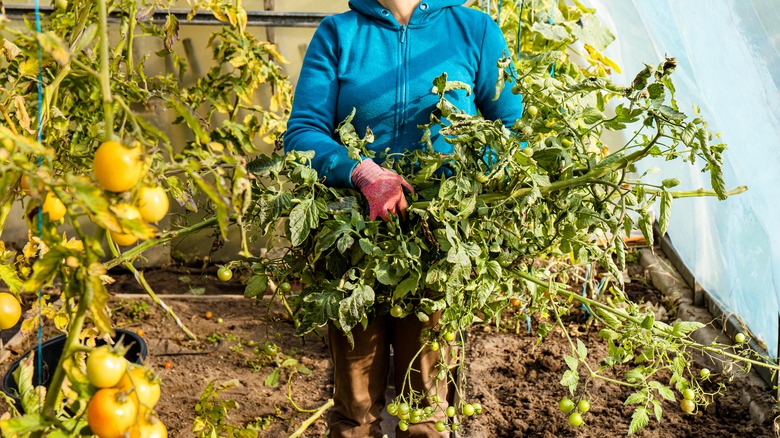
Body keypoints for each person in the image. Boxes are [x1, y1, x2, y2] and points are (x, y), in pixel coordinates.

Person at [284, 0, 524, 436]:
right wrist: (361, 171)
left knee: (426, 407)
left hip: (438, 247)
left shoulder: (476, 30)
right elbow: (303, 132)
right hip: (353, 243)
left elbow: (511, 127)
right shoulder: (340, 33)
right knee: (354, 407)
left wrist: (461, 172)